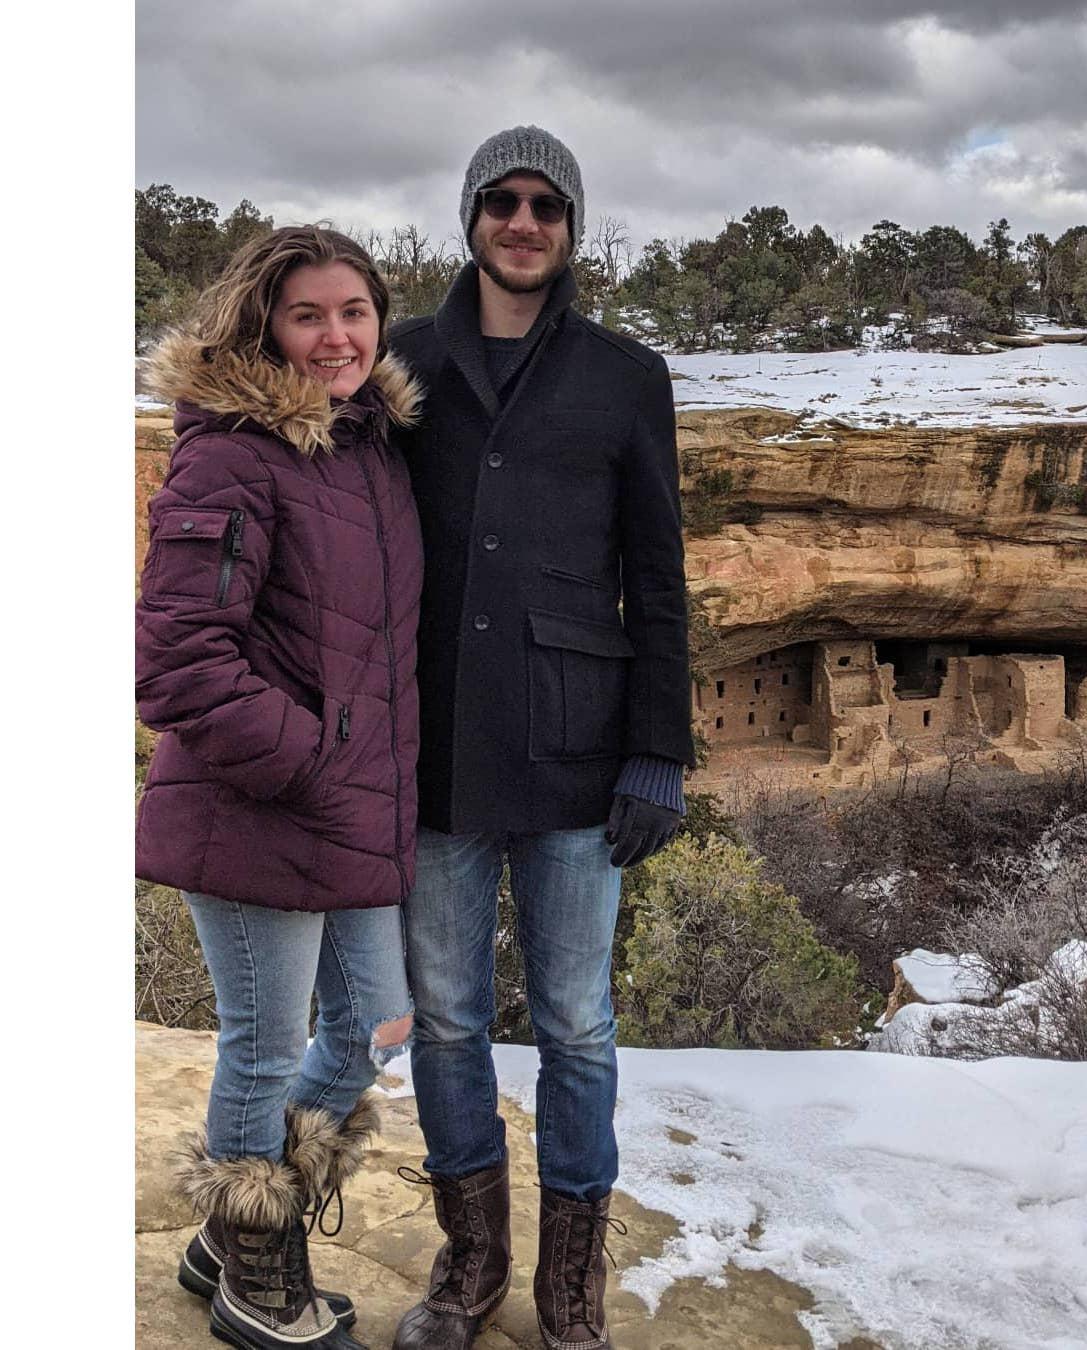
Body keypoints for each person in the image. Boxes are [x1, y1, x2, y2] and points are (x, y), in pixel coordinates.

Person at [388, 126, 696, 1350]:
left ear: (572, 228)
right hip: (437, 750)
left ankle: (569, 1283)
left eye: (547, 206)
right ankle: (471, 1265)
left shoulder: (627, 376)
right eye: (502, 201)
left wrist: (658, 751)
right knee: (449, 1017)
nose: (524, 223)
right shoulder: (402, 362)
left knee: (575, 1022)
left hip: (578, 747)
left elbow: (659, 578)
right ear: (470, 216)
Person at [135, 225, 424, 1350]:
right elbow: (177, 659)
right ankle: (260, 1274)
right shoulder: (232, 455)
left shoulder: (372, 449)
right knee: (264, 1044)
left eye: (354, 311)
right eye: (308, 314)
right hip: (260, 807)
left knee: (380, 1023)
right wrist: (309, 762)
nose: (336, 336)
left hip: (352, 809)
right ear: (265, 324)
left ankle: (227, 1234)